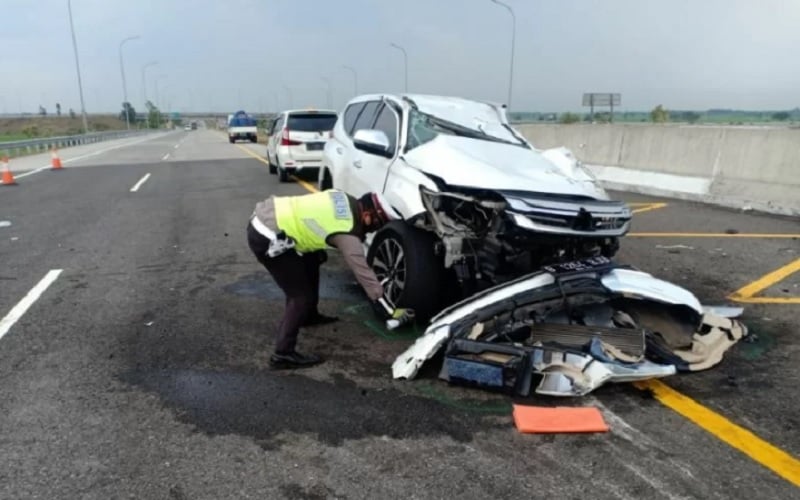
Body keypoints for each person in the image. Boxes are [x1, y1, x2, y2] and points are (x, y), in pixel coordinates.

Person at [247, 189, 415, 369]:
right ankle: (283, 354)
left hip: (269, 216)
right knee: (299, 296)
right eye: (377, 224)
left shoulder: (343, 197)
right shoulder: (347, 231)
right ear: (367, 215)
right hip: (268, 236)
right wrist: (388, 309)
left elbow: (314, 218)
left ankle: (309, 316)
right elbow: (363, 272)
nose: (375, 229)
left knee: (312, 262)